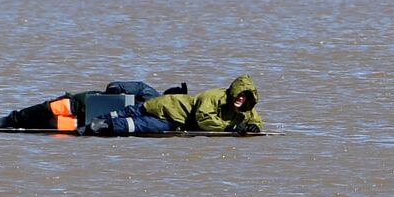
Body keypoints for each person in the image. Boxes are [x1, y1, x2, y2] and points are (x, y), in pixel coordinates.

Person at [86, 76, 263, 136]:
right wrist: (230, 128)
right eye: (240, 94)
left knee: (139, 111)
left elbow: (254, 119)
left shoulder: (244, 109)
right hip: (171, 112)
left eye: (245, 97)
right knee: (142, 122)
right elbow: (203, 119)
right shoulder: (213, 97)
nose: (241, 98)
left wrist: (255, 127)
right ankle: (104, 124)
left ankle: (106, 121)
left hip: (171, 110)